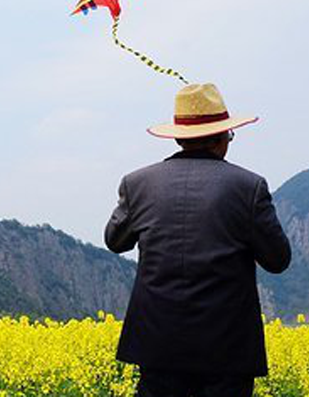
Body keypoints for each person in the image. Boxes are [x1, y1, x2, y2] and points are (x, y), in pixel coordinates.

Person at [105, 83, 291, 397]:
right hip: (228, 349)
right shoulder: (250, 187)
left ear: (178, 136)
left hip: (157, 345)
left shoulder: (137, 184)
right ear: (222, 138)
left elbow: (115, 241)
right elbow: (278, 260)